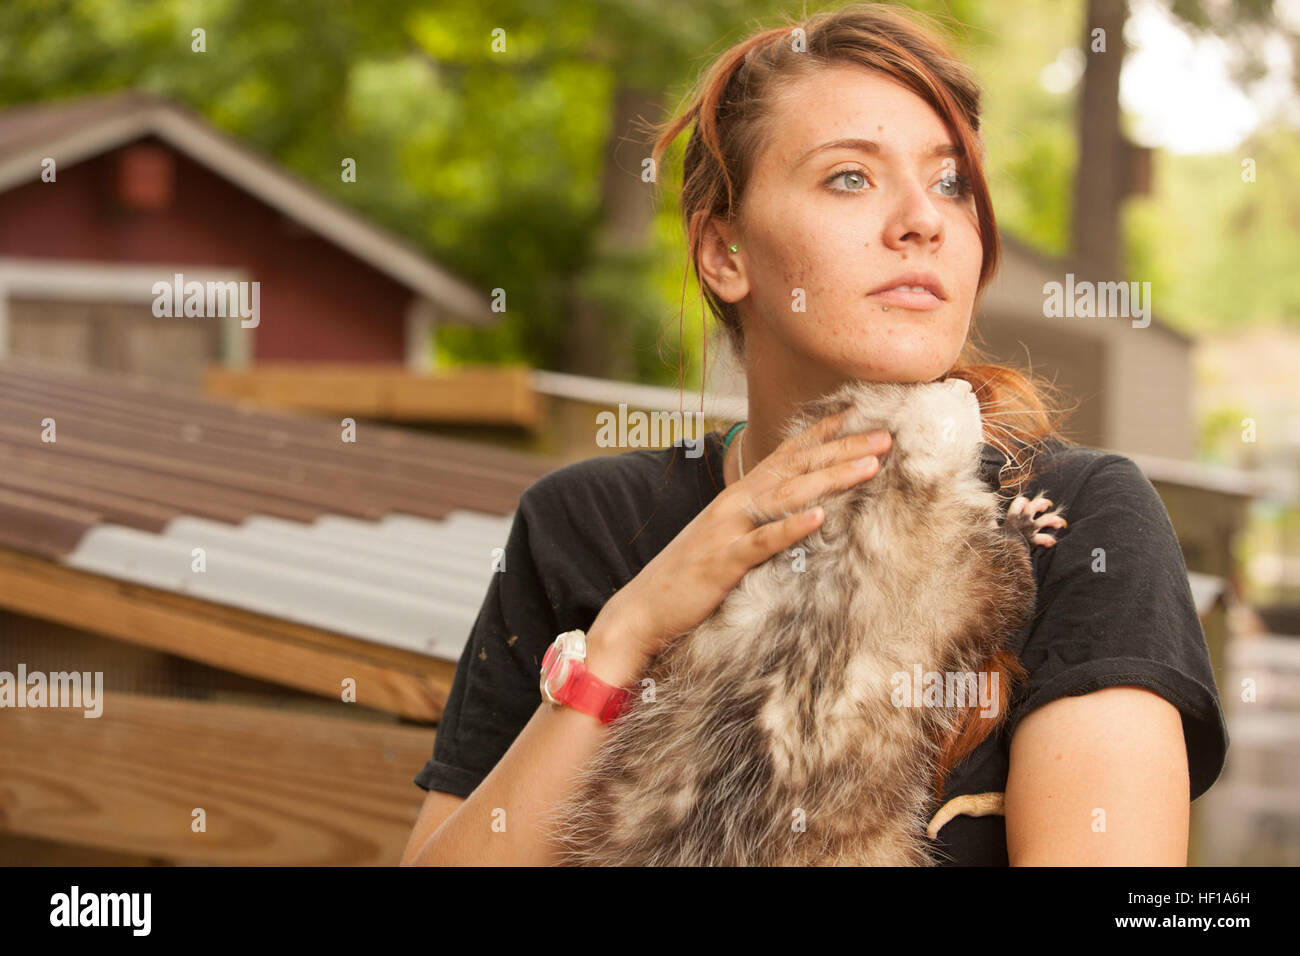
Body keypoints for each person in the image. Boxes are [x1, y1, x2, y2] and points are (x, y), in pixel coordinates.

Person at [401, 2, 1228, 866]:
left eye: (950, 182)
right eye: (849, 178)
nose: (925, 220)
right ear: (726, 252)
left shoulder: (1076, 522)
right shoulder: (585, 526)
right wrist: (626, 634)